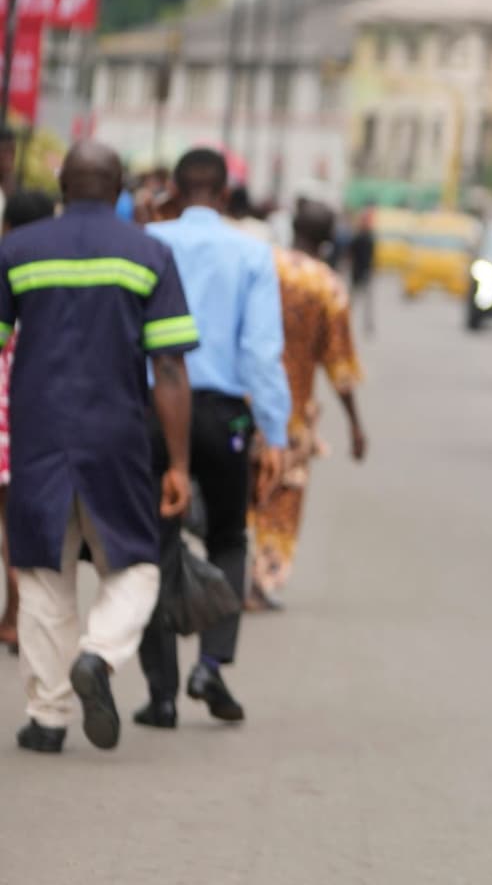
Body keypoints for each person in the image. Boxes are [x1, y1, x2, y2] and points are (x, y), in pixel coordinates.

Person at [0, 143, 197, 754]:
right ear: (118, 188)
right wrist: (179, 464)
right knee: (134, 564)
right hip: (117, 436)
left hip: (37, 434)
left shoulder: (17, 250)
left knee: (42, 571)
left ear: (62, 184)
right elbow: (169, 368)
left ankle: (47, 719)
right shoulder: (149, 253)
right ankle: (100, 653)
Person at [136, 148, 291, 728]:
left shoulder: (150, 244)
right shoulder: (251, 252)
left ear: (174, 191)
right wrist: (274, 434)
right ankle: (210, 665)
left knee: (154, 546)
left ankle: (161, 695)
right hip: (223, 414)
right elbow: (261, 351)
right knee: (228, 537)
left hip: (156, 408)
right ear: (226, 195)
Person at [250, 201, 366, 608]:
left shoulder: (261, 265)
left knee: (242, 491)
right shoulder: (327, 287)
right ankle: (261, 581)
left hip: (244, 399)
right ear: (329, 241)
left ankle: (229, 570)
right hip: (292, 414)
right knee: (282, 500)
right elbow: (341, 367)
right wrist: (355, 424)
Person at [0, 189, 56, 656]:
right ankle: (16, 618)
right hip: (25, 416)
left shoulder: (5, 261)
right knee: (13, 525)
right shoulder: (54, 271)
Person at [347, 210, 377, 335]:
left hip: (364, 271)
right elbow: (351, 254)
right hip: (358, 271)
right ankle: (346, 321)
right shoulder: (359, 236)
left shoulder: (367, 236)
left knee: (364, 301)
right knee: (354, 300)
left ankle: (367, 324)